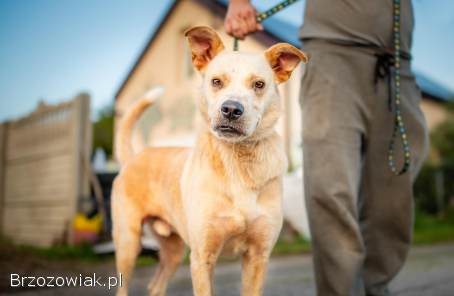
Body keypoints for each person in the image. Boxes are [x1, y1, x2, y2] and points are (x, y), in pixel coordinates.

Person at [224, 0, 429, 295]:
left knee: (392, 195)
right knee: (329, 187)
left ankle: (376, 288)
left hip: (398, 63)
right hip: (332, 53)